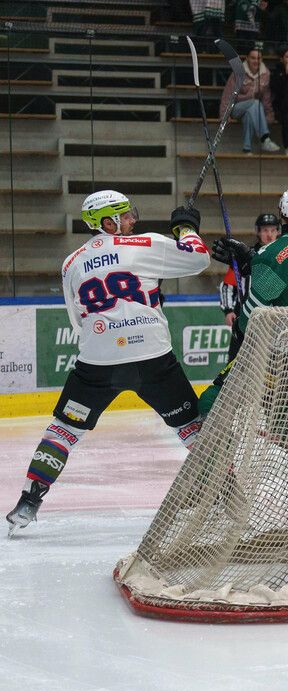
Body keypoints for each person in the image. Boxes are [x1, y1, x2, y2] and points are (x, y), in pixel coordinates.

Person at [6, 193, 210, 533]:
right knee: (190, 426)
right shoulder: (144, 244)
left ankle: (29, 502)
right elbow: (199, 258)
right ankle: (228, 492)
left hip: (98, 361)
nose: (132, 220)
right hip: (152, 356)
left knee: (64, 429)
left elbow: (77, 321)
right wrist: (186, 227)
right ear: (107, 222)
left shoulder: (71, 263)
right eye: (125, 216)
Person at [198, 184, 288, 419]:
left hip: (276, 347)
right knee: (284, 411)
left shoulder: (273, 254)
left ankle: (211, 442)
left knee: (213, 398)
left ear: (282, 211)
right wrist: (252, 259)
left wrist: (240, 329)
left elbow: (256, 307)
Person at [219, 212, 279, 360]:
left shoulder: (283, 256)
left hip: (272, 316)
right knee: (236, 360)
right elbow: (227, 286)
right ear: (258, 232)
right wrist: (228, 310)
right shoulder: (244, 255)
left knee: (269, 362)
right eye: (265, 230)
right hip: (244, 313)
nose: (269, 235)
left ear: (278, 232)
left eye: (273, 230)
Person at [220, 47, 280, 154]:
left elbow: (266, 97)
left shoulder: (265, 74)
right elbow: (228, 94)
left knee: (249, 114)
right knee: (256, 103)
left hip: (253, 109)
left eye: (258, 58)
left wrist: (269, 114)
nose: (256, 61)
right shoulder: (238, 72)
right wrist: (225, 114)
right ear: (247, 58)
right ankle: (265, 139)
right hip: (237, 107)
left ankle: (246, 148)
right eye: (253, 58)